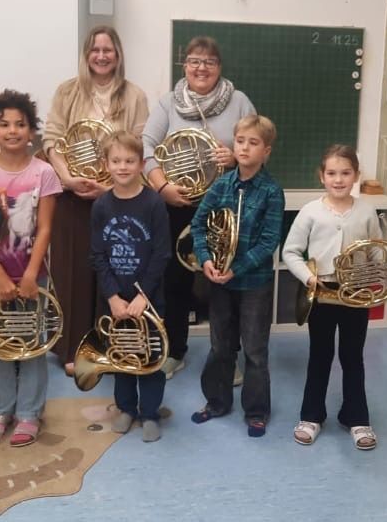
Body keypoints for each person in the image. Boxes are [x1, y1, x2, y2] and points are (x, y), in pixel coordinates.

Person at [282, 145, 387, 450]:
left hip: (355, 295)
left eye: (345, 173)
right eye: (331, 173)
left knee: (353, 358)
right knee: (320, 356)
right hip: (322, 294)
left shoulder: (366, 210)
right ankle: (311, 416)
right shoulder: (311, 211)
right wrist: (309, 278)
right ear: (321, 176)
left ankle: (356, 418)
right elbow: (290, 252)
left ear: (355, 176)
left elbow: (378, 252)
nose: (338, 179)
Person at [142, 36, 256, 381]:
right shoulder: (167, 104)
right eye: (194, 60)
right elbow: (146, 146)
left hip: (223, 205)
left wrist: (235, 156)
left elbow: (258, 143)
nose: (200, 67)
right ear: (184, 66)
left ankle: (226, 356)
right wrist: (162, 188)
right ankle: (175, 351)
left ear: (219, 67)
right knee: (174, 281)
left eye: (208, 61)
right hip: (179, 204)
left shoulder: (238, 102)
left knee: (223, 281)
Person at [42, 25, 149, 376]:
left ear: (118, 55)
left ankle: (109, 345)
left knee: (116, 270)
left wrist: (111, 185)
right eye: (95, 50)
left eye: (108, 50)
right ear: (87, 55)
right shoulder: (67, 91)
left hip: (117, 198)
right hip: (73, 195)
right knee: (73, 270)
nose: (101, 56)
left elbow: (138, 147)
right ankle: (73, 347)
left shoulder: (134, 95)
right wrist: (67, 178)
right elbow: (53, 140)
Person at [0, 90, 62, 447]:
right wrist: (0, 273)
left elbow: (46, 228)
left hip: (34, 274)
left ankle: (29, 414)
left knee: (34, 344)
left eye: (20, 124)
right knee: (0, 343)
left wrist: (31, 274)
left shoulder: (45, 173)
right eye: (4, 124)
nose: (13, 130)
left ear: (32, 130)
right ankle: (1, 410)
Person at [188, 115, 284, 438]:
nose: (244, 148)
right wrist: (205, 260)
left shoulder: (272, 191)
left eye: (253, 143)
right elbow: (199, 225)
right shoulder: (221, 184)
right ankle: (216, 402)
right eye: (240, 141)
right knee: (220, 347)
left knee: (255, 350)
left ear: (266, 151)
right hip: (220, 283)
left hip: (253, 283)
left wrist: (236, 268)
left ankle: (256, 411)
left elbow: (269, 242)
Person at [90, 132, 171, 442]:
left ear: (141, 164)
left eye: (129, 161)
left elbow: (161, 253)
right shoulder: (101, 205)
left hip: (147, 299)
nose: (122, 167)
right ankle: (126, 408)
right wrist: (112, 295)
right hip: (116, 299)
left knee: (151, 355)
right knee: (121, 355)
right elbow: (97, 255)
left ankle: (150, 412)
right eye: (116, 161)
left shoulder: (153, 203)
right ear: (106, 164)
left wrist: (143, 296)